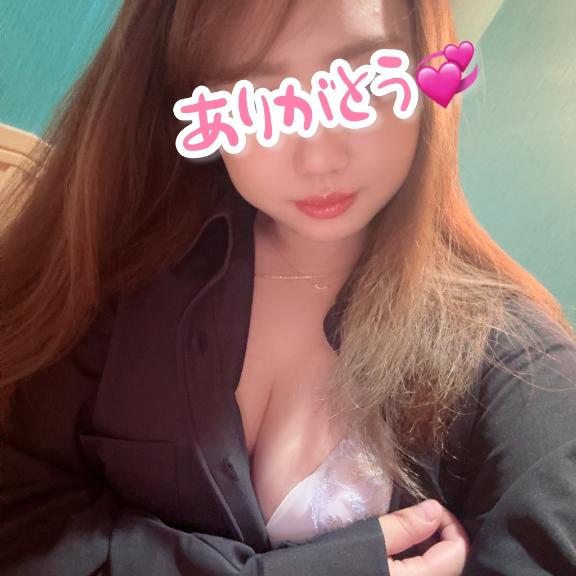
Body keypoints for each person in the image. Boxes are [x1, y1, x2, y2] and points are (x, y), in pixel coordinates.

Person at [1, 0, 575, 575]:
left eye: (365, 83)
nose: (319, 155)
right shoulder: (125, 267)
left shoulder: (519, 363)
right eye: (258, 98)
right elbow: (20, 513)